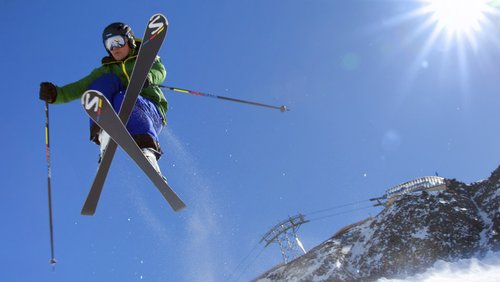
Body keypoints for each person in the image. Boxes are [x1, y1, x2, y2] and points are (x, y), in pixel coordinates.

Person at [39, 22, 167, 173]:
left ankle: (148, 150)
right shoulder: (107, 69)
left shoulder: (143, 57)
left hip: (150, 113)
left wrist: (148, 77)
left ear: (130, 40)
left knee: (121, 98)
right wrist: (56, 94)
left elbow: (160, 70)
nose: (115, 47)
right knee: (102, 82)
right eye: (109, 44)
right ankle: (103, 132)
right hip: (120, 115)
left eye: (118, 41)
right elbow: (79, 87)